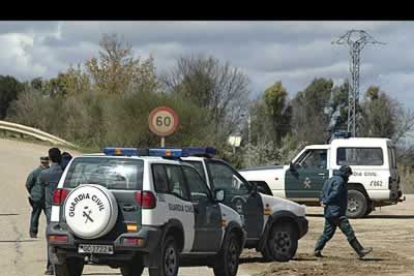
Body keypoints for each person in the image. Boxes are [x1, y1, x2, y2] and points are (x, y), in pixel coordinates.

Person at [314, 165, 373, 259]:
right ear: (345, 173)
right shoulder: (340, 181)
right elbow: (335, 193)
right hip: (337, 212)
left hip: (329, 211)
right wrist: (326, 201)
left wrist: (322, 201)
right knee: (349, 232)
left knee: (327, 233)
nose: (349, 177)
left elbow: (322, 192)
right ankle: (360, 250)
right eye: (348, 175)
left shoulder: (330, 180)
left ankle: (317, 249)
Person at [38, 148, 63, 275]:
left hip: (50, 210)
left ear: (50, 158)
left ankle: (50, 267)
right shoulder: (65, 173)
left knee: (51, 238)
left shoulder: (45, 174)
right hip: (64, 211)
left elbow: (38, 193)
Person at [26, 156, 50, 238]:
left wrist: (33, 193)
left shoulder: (35, 172)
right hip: (44, 198)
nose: (44, 164)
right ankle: (48, 232)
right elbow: (28, 184)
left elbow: (28, 184)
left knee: (36, 215)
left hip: (40, 198)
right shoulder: (50, 172)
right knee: (48, 216)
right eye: (44, 163)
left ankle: (33, 233)